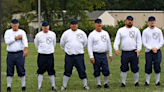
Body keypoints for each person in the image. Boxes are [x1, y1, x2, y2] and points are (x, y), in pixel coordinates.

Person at [60, 20, 89, 90]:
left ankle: (85, 85)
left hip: (79, 55)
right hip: (69, 55)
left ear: (77, 25)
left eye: (75, 24)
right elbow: (62, 44)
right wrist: (67, 50)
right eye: (73, 24)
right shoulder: (66, 33)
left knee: (82, 70)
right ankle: (64, 86)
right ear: (70, 25)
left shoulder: (82, 33)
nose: (74, 26)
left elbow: (85, 44)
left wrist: (80, 50)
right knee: (67, 70)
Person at [113, 16, 142, 87]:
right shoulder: (121, 30)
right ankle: (123, 83)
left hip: (134, 52)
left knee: (135, 68)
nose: (130, 21)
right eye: (128, 20)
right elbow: (117, 41)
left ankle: (136, 83)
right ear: (125, 21)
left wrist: (138, 49)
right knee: (123, 68)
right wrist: (116, 48)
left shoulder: (136, 30)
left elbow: (139, 41)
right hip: (125, 52)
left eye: (131, 20)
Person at [87, 19, 112, 89]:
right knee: (97, 70)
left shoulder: (105, 33)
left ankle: (106, 83)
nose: (99, 24)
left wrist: (110, 54)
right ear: (95, 24)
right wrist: (91, 56)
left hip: (104, 54)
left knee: (106, 70)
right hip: (96, 54)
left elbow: (109, 44)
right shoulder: (92, 34)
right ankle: (98, 84)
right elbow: (89, 47)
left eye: (100, 23)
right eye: (98, 23)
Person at [4, 19, 28, 92]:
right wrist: (16, 38)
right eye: (13, 24)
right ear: (11, 25)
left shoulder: (22, 32)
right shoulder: (8, 32)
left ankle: (23, 86)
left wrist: (26, 49)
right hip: (10, 53)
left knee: (21, 69)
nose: (15, 25)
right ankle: (9, 87)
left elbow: (25, 41)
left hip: (19, 53)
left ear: (18, 24)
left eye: (16, 23)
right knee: (9, 70)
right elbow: (7, 42)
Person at [34, 21, 58, 91]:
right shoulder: (38, 35)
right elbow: (36, 45)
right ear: (42, 27)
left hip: (50, 55)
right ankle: (39, 87)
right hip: (41, 55)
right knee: (40, 70)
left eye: (46, 26)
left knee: (51, 70)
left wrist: (50, 50)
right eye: (44, 26)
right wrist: (41, 51)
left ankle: (53, 86)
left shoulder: (52, 34)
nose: (45, 28)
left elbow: (54, 44)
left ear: (49, 26)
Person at [142, 16, 163, 86]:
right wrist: (151, 48)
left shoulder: (158, 31)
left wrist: (156, 48)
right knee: (148, 66)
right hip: (148, 52)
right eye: (151, 21)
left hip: (157, 51)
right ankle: (147, 82)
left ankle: (157, 82)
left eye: (153, 21)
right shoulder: (145, 31)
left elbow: (162, 41)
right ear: (148, 22)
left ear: (155, 22)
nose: (152, 22)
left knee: (157, 65)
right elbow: (144, 42)